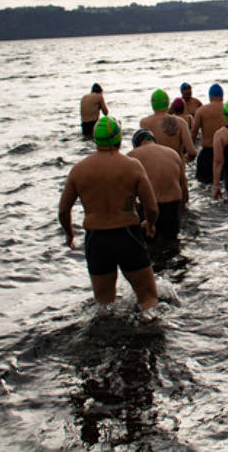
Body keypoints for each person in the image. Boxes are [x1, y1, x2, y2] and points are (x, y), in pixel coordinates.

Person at [57, 116, 158, 311]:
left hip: (96, 238)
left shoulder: (79, 170)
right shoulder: (132, 166)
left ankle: (104, 338)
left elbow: (63, 210)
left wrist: (69, 233)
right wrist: (151, 224)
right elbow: (151, 207)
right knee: (148, 298)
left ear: (95, 139)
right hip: (127, 234)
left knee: (104, 304)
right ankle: (152, 333)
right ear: (119, 139)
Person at [128, 128, 189, 240]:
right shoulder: (173, 153)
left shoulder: (132, 155)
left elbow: (127, 192)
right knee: (172, 242)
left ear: (136, 144)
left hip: (150, 208)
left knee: (149, 244)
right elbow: (184, 187)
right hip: (173, 205)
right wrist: (181, 211)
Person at [139, 88, 197, 162]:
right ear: (168, 103)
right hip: (176, 167)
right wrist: (184, 160)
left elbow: (141, 149)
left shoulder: (144, 123)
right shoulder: (181, 122)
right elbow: (192, 152)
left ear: (152, 104)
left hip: (154, 166)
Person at [191, 84, 227, 183]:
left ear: (210, 97)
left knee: (203, 184)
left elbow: (194, 132)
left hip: (207, 153)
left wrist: (191, 151)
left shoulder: (201, 111)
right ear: (222, 96)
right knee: (223, 183)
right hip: (225, 154)